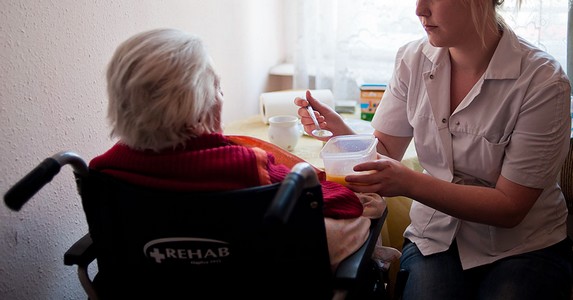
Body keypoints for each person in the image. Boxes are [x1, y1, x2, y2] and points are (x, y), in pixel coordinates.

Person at [295, 0, 573, 299]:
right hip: (436, 239)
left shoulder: (543, 81)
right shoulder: (412, 59)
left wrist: (409, 182)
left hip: (524, 247)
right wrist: (341, 135)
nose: (419, 10)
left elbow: (510, 208)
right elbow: (386, 152)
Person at [88, 28, 391, 276]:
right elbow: (342, 203)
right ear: (198, 104)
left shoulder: (104, 170)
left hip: (154, 276)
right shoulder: (246, 165)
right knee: (366, 209)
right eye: (217, 88)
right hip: (251, 272)